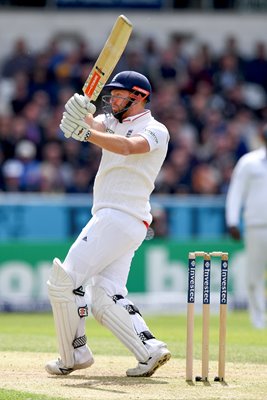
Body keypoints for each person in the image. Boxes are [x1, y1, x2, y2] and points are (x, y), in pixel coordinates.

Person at [45, 71, 171, 377]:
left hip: (120, 215)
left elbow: (128, 147)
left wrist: (85, 133)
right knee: (104, 295)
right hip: (120, 220)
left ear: (139, 97)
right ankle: (149, 349)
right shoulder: (112, 121)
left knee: (65, 281)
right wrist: (77, 108)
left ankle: (73, 354)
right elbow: (90, 121)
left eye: (119, 95)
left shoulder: (156, 129)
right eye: (110, 95)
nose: (112, 100)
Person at [225, 123, 267, 329]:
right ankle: (258, 321)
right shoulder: (249, 162)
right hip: (257, 226)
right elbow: (236, 192)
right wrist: (232, 221)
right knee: (255, 275)